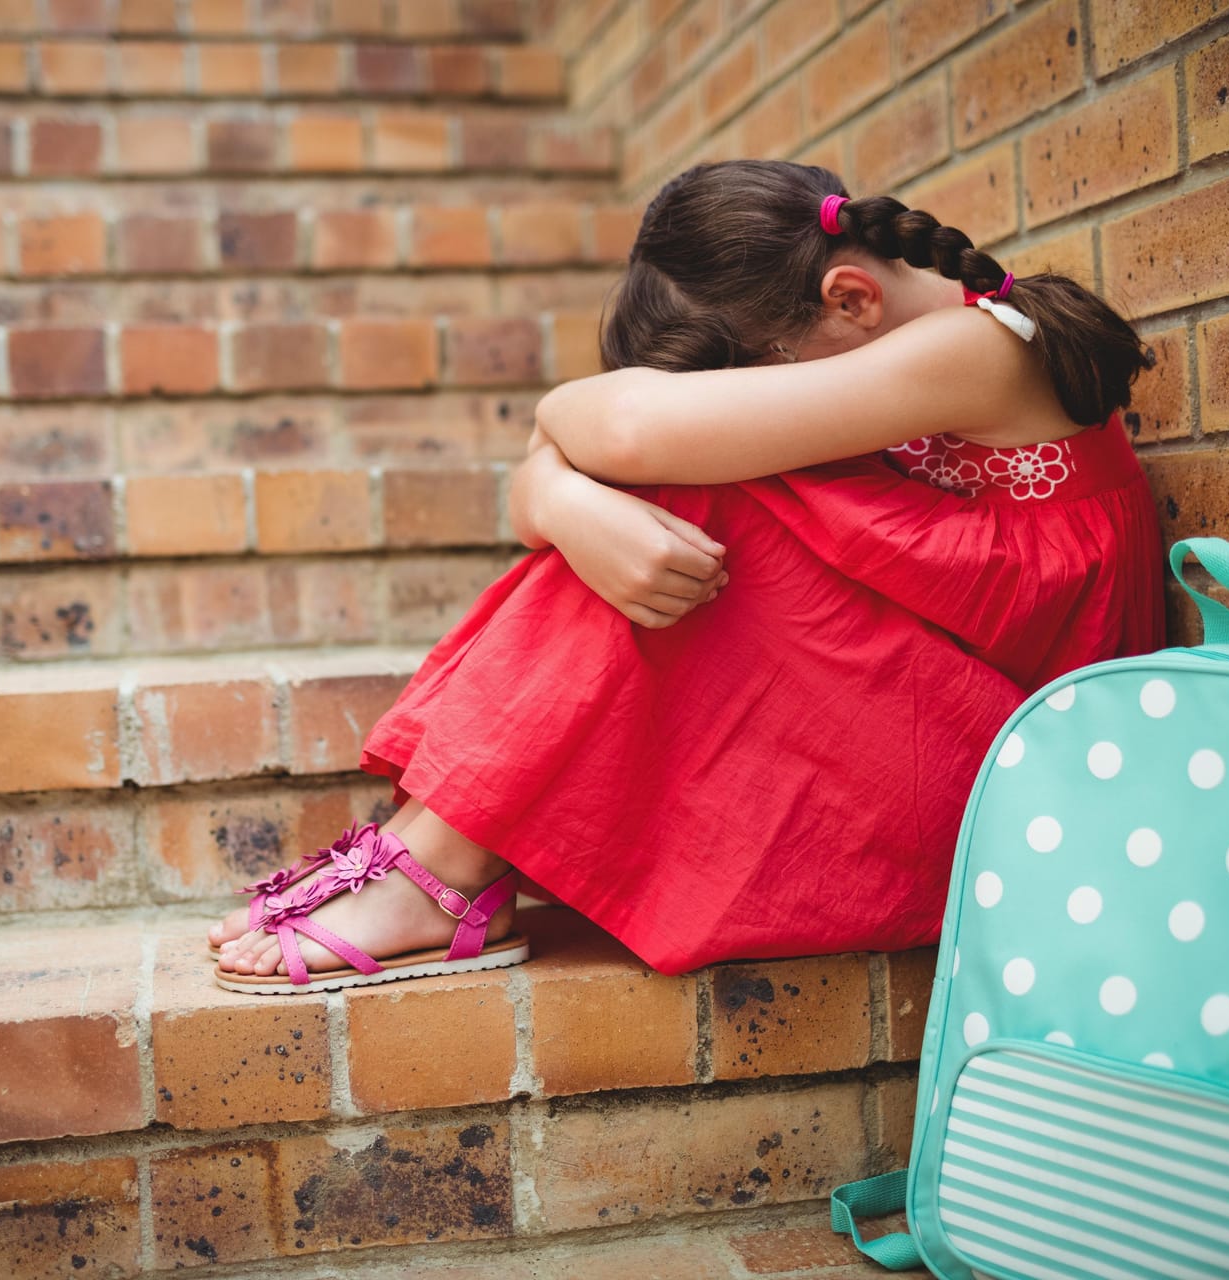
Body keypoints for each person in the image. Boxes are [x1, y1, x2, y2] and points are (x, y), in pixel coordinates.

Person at [208, 160, 1166, 993]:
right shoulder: (905, 342)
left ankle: (441, 866)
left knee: (707, 493)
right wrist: (564, 501)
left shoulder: (980, 348)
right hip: (940, 711)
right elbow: (590, 454)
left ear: (850, 298)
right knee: (675, 490)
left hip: (1028, 773)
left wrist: (558, 451)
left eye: (753, 378)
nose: (751, 400)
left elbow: (622, 432)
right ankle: (440, 850)